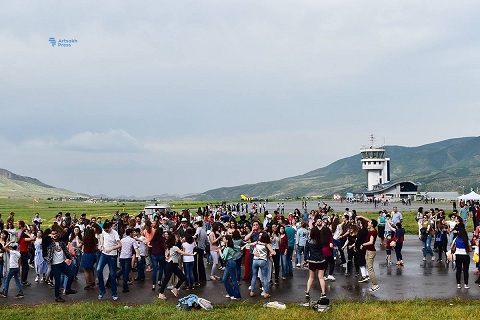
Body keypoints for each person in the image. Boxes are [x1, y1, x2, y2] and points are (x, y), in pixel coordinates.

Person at [158, 231, 196, 300]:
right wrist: (192, 254)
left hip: (173, 265)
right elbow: (183, 253)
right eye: (176, 237)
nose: (177, 238)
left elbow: (168, 253)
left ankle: (175, 289)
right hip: (171, 265)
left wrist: (167, 257)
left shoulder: (172, 247)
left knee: (182, 277)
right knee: (167, 279)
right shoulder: (174, 247)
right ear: (173, 239)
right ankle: (161, 293)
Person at [45, 229, 77, 302]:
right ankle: (57, 297)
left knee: (71, 275)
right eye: (53, 234)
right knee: (58, 282)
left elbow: (66, 235)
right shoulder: (50, 243)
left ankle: (68, 289)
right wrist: (49, 236)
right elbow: (44, 239)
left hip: (62, 263)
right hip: (55, 265)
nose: (55, 235)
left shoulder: (61, 242)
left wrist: (70, 227)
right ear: (51, 235)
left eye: (56, 233)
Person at [97, 221, 122, 301]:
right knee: (98, 270)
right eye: (105, 230)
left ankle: (114, 293)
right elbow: (103, 238)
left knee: (112, 274)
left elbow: (119, 244)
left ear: (110, 227)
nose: (106, 231)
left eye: (107, 230)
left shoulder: (115, 233)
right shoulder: (104, 231)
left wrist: (111, 249)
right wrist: (101, 245)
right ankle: (102, 290)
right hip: (104, 254)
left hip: (112, 255)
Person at [249, 232, 275, 298]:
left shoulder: (257, 243)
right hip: (263, 260)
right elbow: (273, 252)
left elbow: (250, 244)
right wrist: (270, 254)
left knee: (254, 276)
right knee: (265, 277)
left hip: (255, 260)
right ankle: (266, 293)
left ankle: (252, 291)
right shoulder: (266, 244)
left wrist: (254, 252)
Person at [357, 216, 379, 292]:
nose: (368, 223)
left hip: (371, 251)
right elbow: (369, 220)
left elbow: (371, 242)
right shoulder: (372, 230)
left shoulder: (372, 232)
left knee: (370, 269)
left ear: (372, 224)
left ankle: (375, 285)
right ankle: (374, 284)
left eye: (369, 223)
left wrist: (363, 244)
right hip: (368, 251)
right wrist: (361, 217)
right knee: (369, 267)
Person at [305, 225, 326, 300]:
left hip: (312, 260)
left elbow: (306, 251)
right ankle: (323, 293)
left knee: (311, 277)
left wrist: (306, 259)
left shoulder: (309, 242)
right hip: (321, 260)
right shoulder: (321, 241)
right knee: (321, 277)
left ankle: (307, 292)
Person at [117, 228, 140, 293]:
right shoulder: (132, 240)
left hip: (122, 257)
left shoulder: (122, 240)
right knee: (126, 272)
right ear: (130, 233)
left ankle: (118, 276)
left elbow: (119, 247)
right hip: (128, 257)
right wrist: (138, 255)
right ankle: (124, 287)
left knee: (123, 270)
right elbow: (135, 248)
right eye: (132, 233)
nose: (133, 234)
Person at [219, 235, 241, 300]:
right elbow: (239, 248)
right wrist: (233, 253)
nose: (223, 239)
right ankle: (231, 293)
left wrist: (219, 250)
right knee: (225, 279)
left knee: (233, 279)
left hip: (230, 262)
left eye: (224, 239)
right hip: (230, 262)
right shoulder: (230, 247)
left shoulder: (227, 248)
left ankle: (236, 295)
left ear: (227, 240)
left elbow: (223, 257)